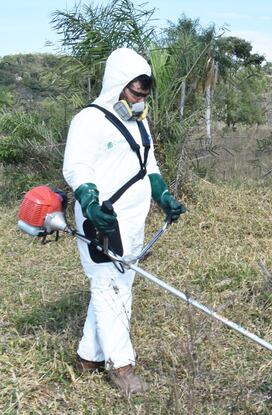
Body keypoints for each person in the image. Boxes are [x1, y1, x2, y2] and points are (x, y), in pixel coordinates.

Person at [62, 48, 186, 394]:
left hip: (133, 220)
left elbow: (150, 167)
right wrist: (89, 201)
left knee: (117, 285)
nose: (140, 101)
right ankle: (122, 367)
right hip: (100, 220)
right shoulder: (88, 120)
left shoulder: (139, 120)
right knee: (109, 287)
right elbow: (77, 167)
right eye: (135, 93)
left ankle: (88, 357)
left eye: (144, 95)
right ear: (117, 85)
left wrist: (164, 198)